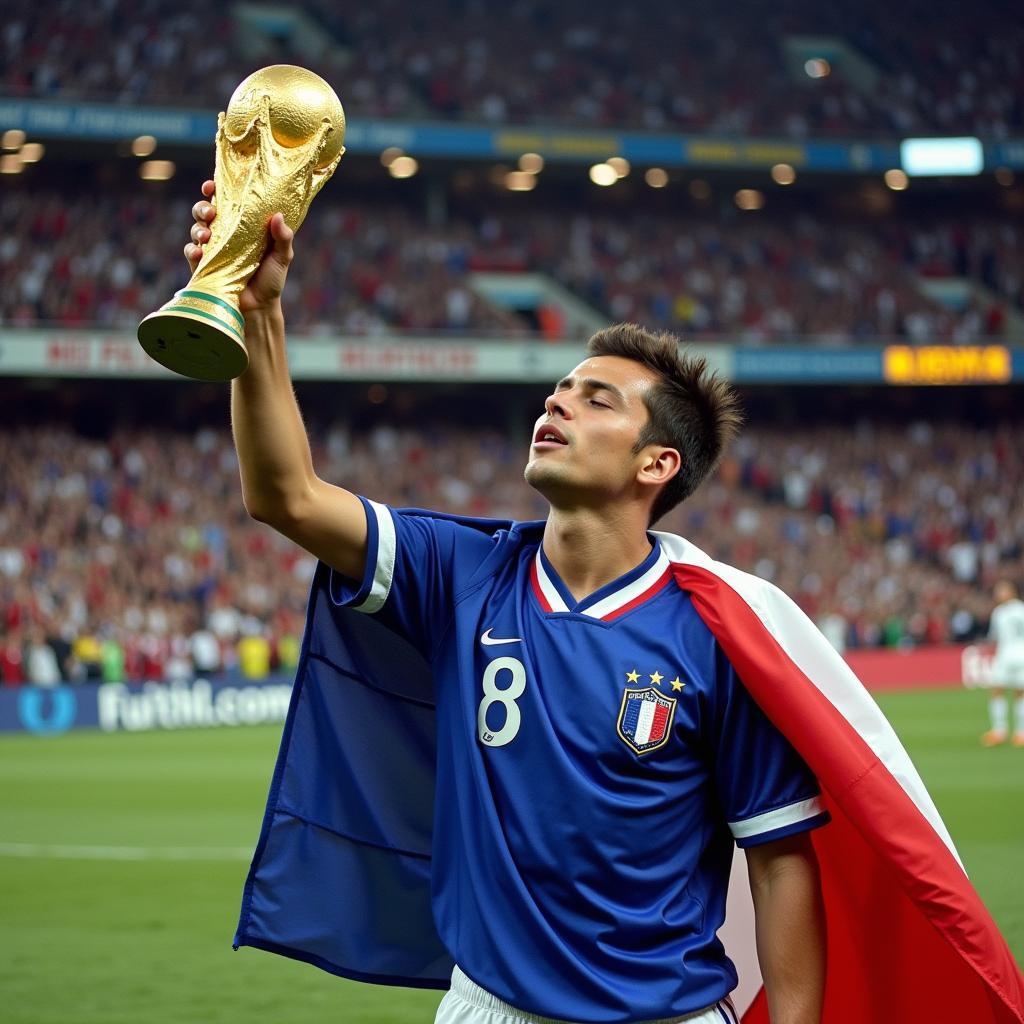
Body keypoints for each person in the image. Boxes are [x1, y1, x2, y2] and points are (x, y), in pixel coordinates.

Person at [187, 184, 828, 1024]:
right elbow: (287, 497)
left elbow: (780, 859)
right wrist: (260, 310)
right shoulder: (465, 571)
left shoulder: (716, 637)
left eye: (597, 398)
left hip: (665, 1013)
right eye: (559, 388)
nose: (558, 401)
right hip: (486, 1005)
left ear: (656, 464)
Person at [980, 579, 1024, 747]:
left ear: (1012, 591)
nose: (998, 594)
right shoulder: (1018, 609)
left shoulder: (1001, 612)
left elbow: (994, 637)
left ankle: (1003, 731)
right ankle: (1008, 732)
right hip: (1013, 655)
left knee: (1003, 691)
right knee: (1008, 691)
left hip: (1009, 655)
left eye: (1002, 590)